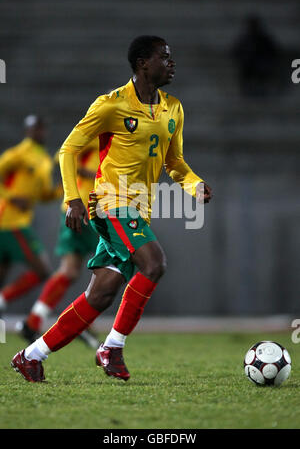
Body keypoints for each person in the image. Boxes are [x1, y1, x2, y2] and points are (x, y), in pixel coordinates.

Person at [11, 35, 212, 383]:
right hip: (110, 203)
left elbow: (174, 161)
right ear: (142, 64)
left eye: (171, 57)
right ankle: (112, 348)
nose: (171, 63)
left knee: (101, 293)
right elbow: (68, 150)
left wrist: (193, 184)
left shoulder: (173, 108)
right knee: (153, 263)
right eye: (164, 57)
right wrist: (72, 198)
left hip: (139, 208)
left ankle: (31, 355)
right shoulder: (111, 105)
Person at [19, 139, 100, 349]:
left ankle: (37, 322)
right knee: (98, 270)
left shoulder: (120, 137)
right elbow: (62, 155)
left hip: (100, 212)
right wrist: (86, 172)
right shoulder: (96, 134)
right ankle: (73, 322)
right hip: (83, 211)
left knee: (83, 271)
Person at [0, 115, 62, 317]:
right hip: (10, 221)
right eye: (37, 128)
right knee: (42, 271)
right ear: (28, 131)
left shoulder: (44, 159)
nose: (41, 132)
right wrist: (13, 197)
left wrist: (64, 189)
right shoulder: (18, 154)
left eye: (43, 129)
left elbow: (42, 196)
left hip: (16, 223)